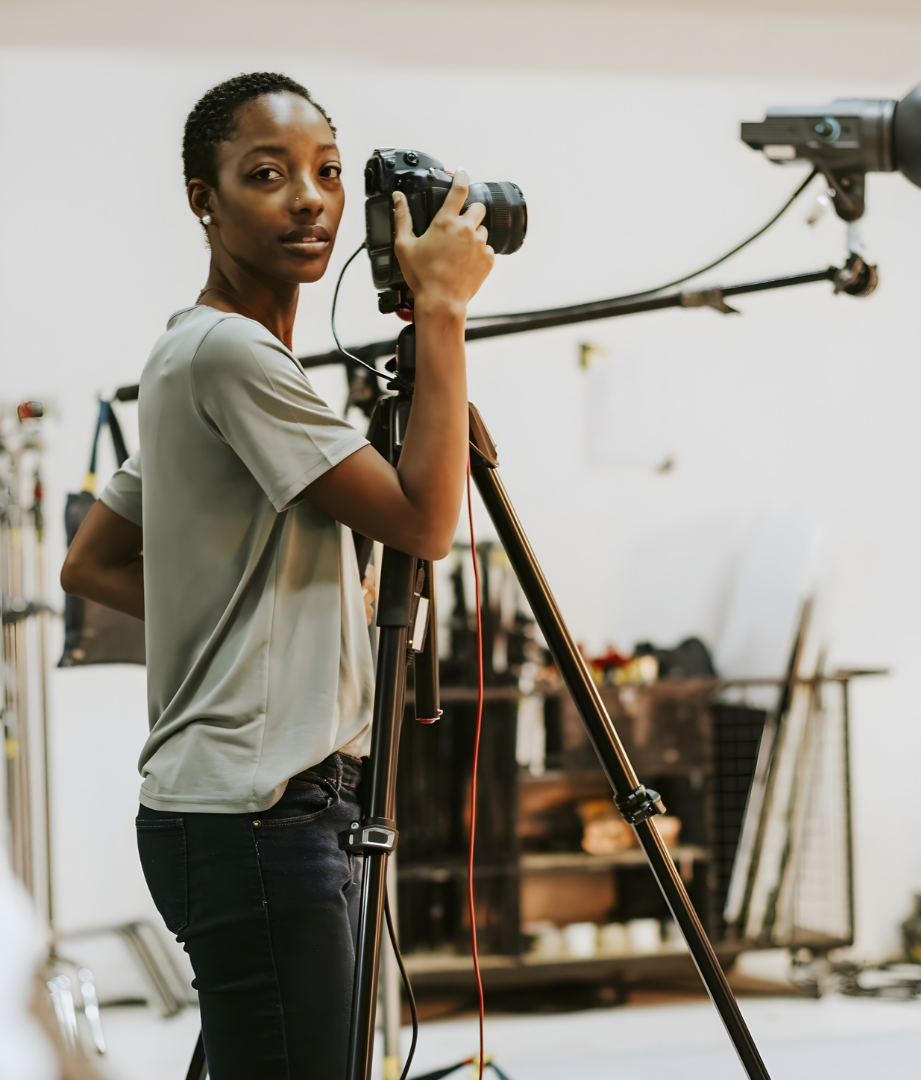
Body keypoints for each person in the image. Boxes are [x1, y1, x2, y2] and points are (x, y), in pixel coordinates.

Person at [60, 72, 494, 1079]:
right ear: (201, 198)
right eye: (268, 174)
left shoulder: (186, 353)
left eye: (328, 174)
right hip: (260, 822)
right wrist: (441, 311)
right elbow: (427, 524)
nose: (310, 198)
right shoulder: (234, 360)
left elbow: (93, 562)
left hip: (236, 817)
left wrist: (232, 620)